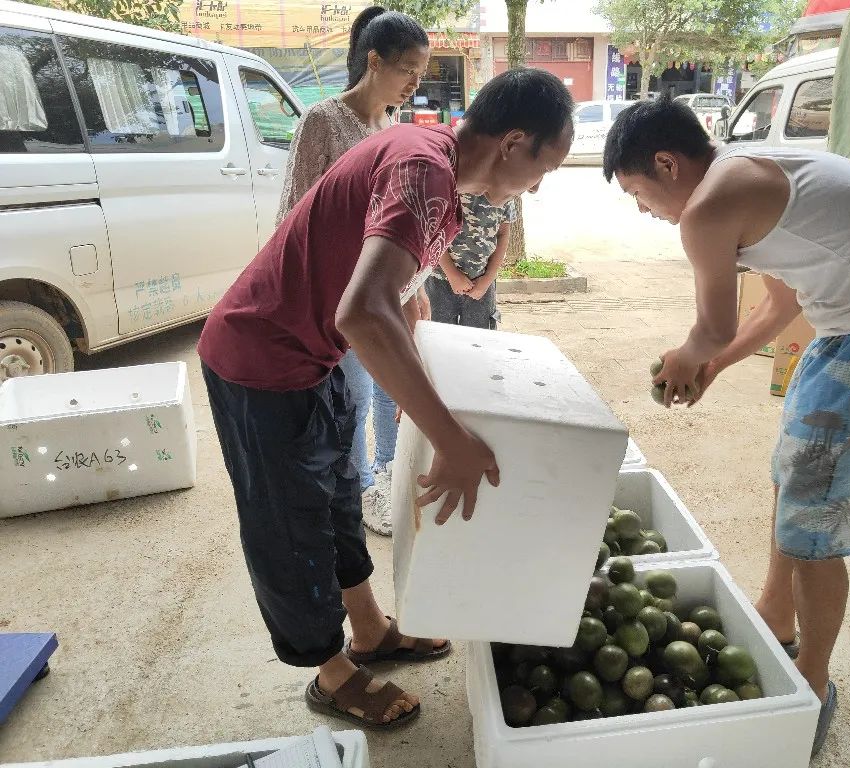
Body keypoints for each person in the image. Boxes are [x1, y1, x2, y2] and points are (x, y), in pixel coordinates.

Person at [197, 68, 575, 730]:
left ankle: (369, 631)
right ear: (515, 142)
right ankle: (330, 671)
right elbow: (363, 312)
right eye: (544, 168)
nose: (538, 187)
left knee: (340, 495)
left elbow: (397, 294)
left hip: (317, 356)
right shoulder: (424, 169)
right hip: (262, 357)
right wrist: (453, 440)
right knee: (291, 524)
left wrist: (417, 368)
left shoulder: (435, 170)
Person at [602, 96, 850, 755]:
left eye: (636, 192)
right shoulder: (743, 175)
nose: (643, 210)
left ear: (665, 162)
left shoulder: (711, 204)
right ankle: (776, 615)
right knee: (791, 481)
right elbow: (779, 305)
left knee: (814, 525)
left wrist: (691, 356)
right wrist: (715, 367)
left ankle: (812, 683)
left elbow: (711, 326)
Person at [276, 6, 431, 537]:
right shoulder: (322, 122)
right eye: (407, 70)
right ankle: (357, 491)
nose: (415, 83)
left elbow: (398, 225)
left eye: (420, 74)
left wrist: (414, 288)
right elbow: (294, 216)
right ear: (373, 60)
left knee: (392, 389)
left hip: (386, 294)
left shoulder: (390, 125)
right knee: (354, 399)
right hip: (340, 302)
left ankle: (384, 478)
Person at [424, 193, 515, 330]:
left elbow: (503, 234)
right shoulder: (447, 185)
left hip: (482, 283)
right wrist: (452, 274)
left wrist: (487, 279)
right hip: (439, 280)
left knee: (480, 341)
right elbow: (433, 230)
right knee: (439, 337)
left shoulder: (506, 190)